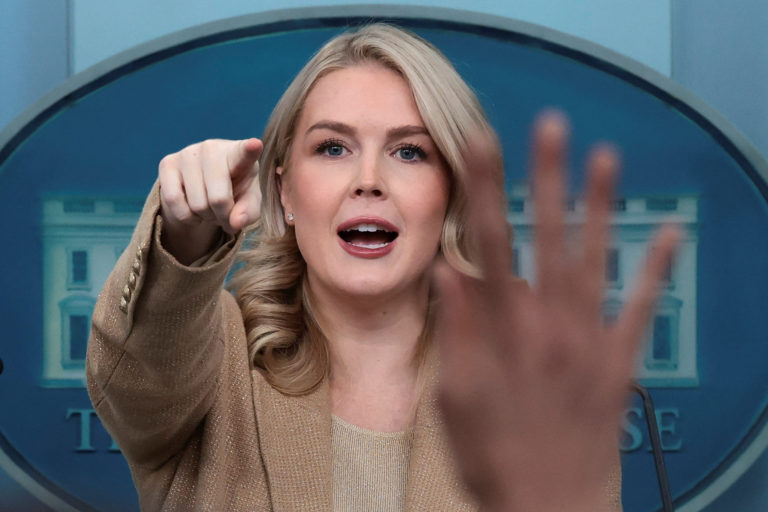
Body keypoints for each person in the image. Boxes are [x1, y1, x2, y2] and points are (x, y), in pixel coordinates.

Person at [87, 23, 676, 512]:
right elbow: (141, 367)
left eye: (409, 151)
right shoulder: (214, 366)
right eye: (333, 148)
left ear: (451, 195)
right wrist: (185, 235)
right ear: (285, 192)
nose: (368, 180)